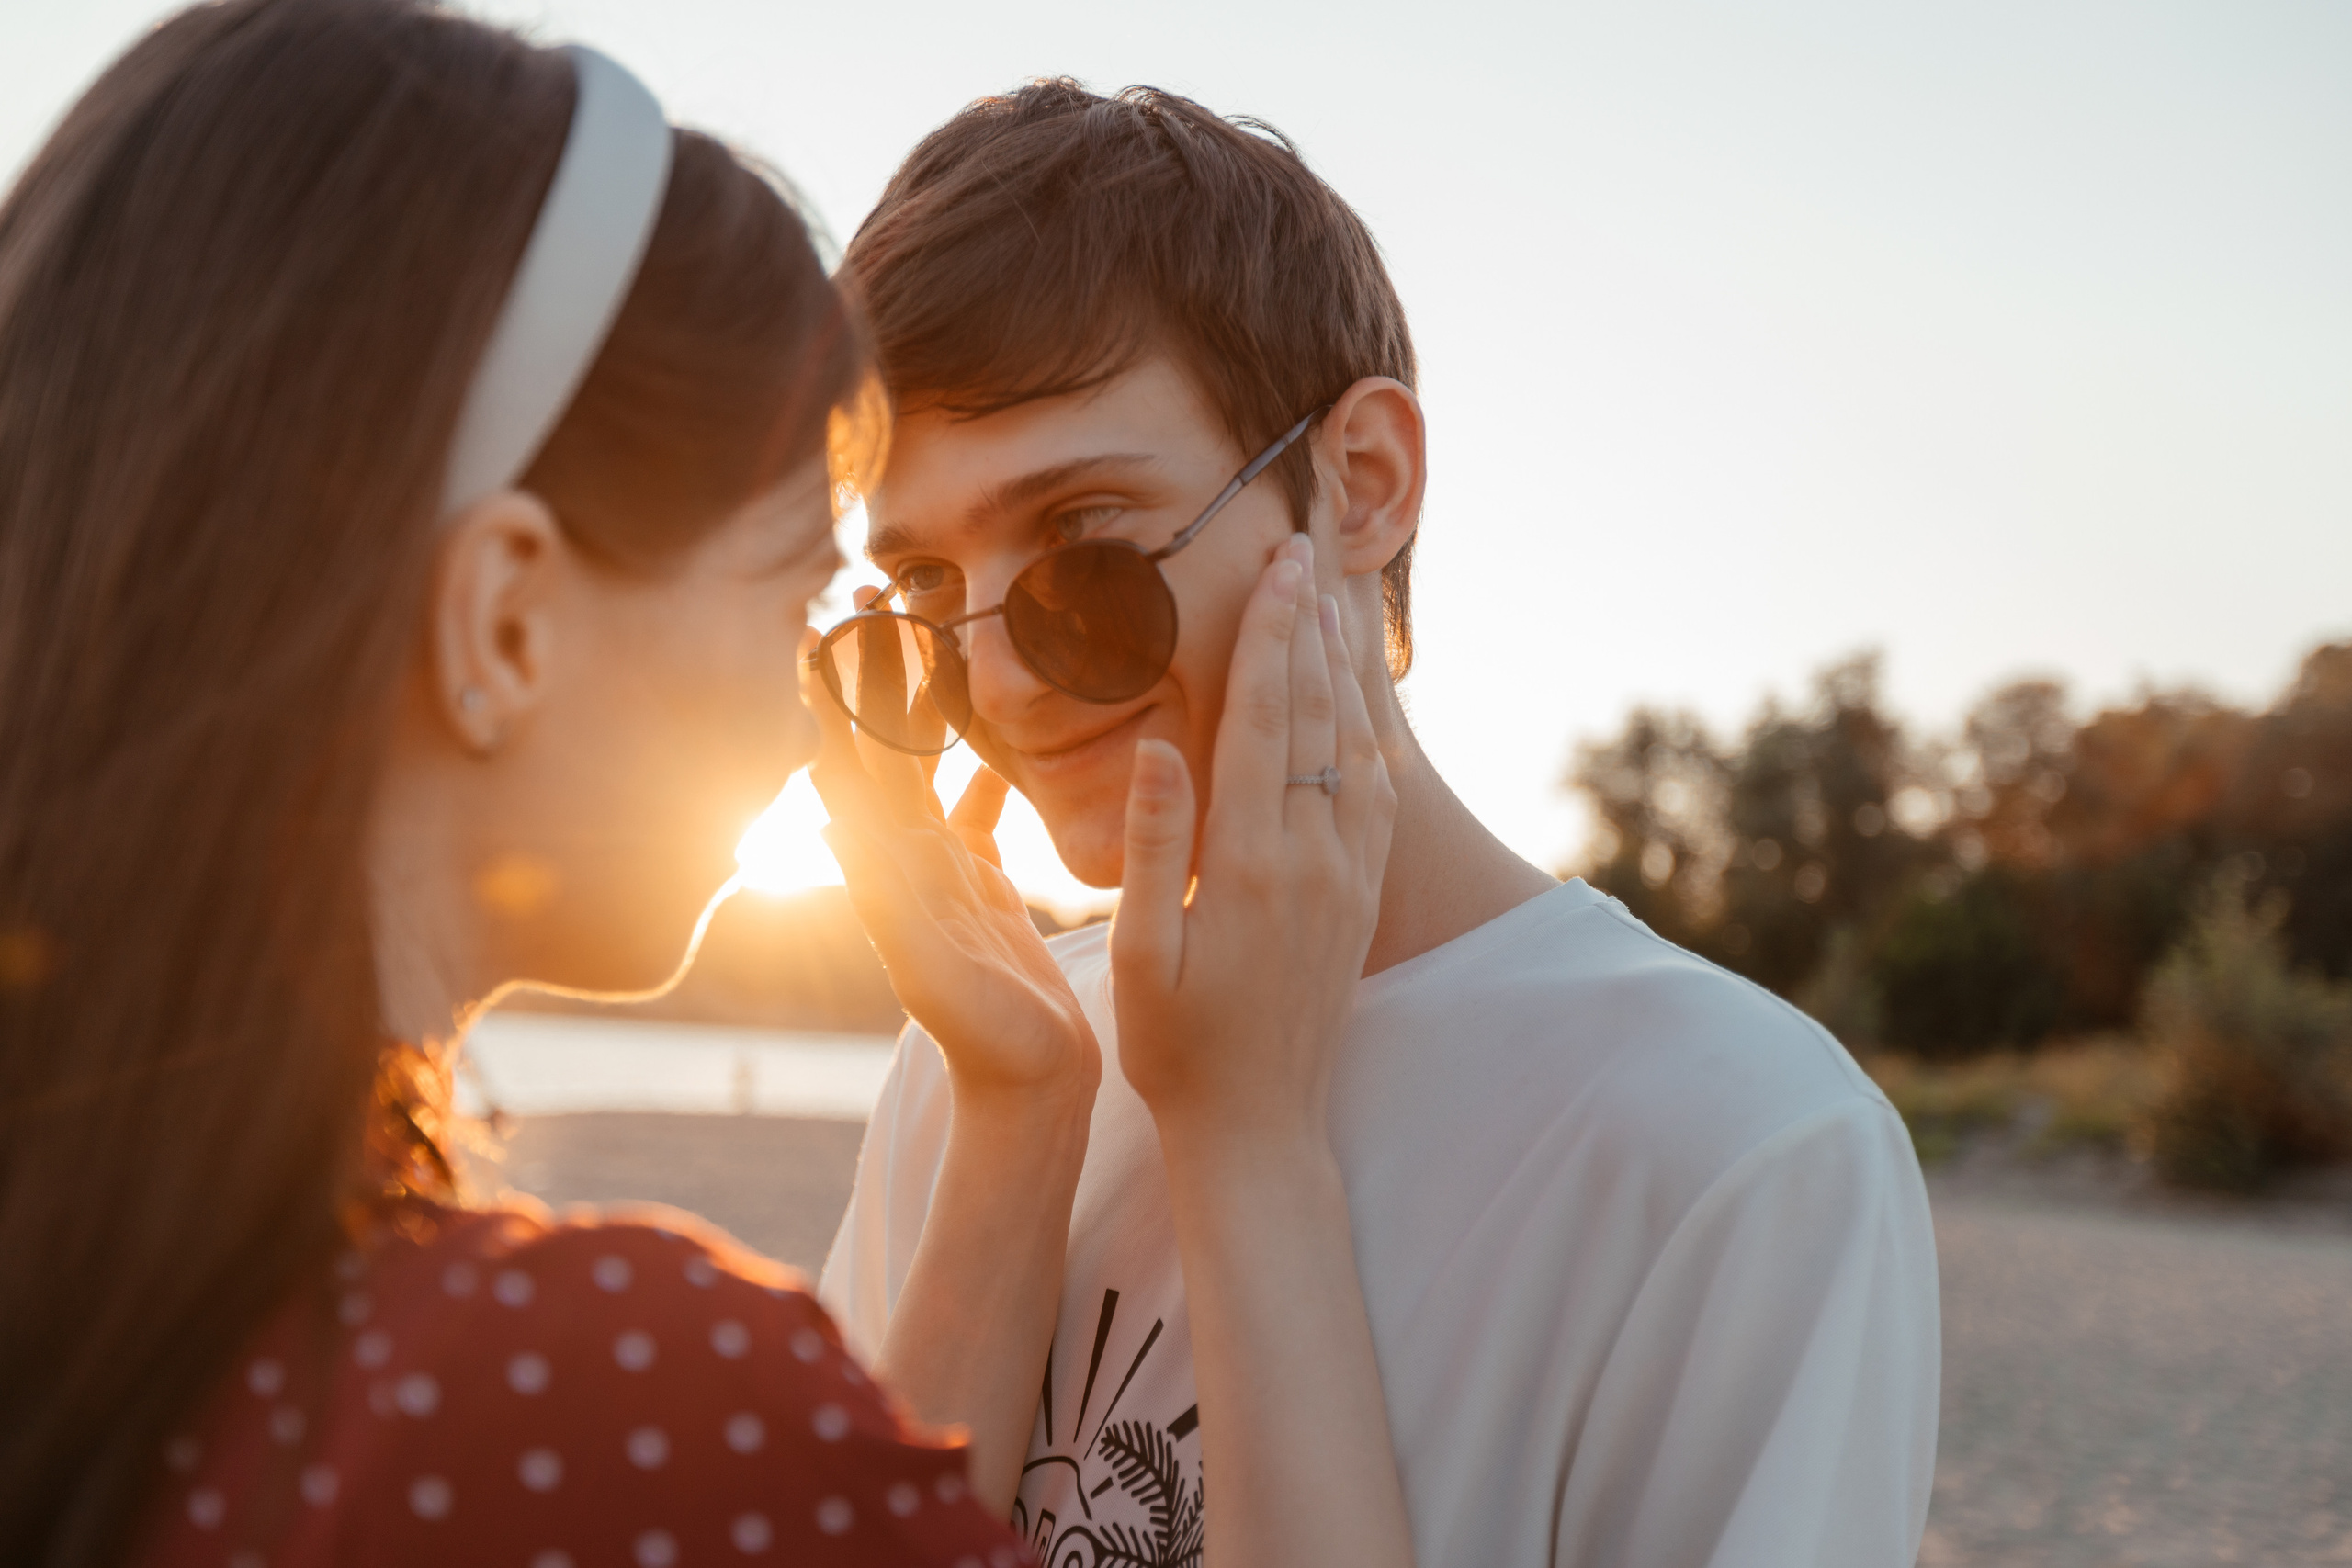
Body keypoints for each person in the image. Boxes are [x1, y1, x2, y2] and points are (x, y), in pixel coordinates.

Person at [0, 6, 1412, 1566]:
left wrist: (1021, 1103)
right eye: (813, 603)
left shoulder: (130, 1309)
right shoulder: (586, 1393)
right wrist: (1256, 1146)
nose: (826, 724)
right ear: (507, 620)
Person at [814, 81, 1944, 1566]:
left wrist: (1243, 1137)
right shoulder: (982, 1067)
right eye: (917, 602)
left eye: (1083, 547)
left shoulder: (1743, 1147)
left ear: (1361, 486)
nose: (1002, 681)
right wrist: (1014, 1122)